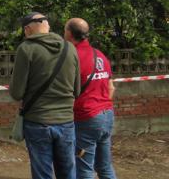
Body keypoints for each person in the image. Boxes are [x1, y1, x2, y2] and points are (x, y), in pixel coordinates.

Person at [10, 12, 81, 179]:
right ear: (47, 26)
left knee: (42, 173)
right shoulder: (69, 48)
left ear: (27, 29)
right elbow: (77, 90)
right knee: (68, 172)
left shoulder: (26, 49)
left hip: (37, 121)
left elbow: (17, 92)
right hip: (66, 121)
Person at [64, 18, 117, 179]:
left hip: (86, 118)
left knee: (84, 169)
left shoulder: (72, 57)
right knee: (104, 166)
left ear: (69, 33)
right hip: (107, 115)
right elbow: (111, 87)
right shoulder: (99, 55)